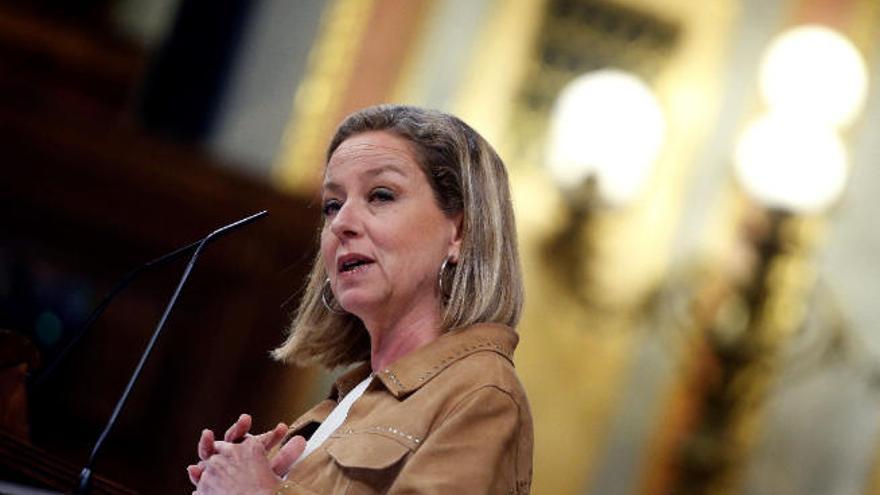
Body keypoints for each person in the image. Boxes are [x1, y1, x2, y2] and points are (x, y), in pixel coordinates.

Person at [187, 104, 533, 494]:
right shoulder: (346, 400)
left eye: (381, 195)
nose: (342, 224)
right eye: (332, 205)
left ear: (460, 233)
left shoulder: (481, 393)